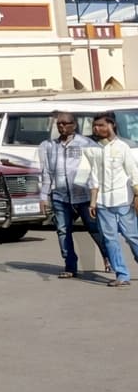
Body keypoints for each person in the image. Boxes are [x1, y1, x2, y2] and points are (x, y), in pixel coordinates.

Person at [38, 111, 109, 278]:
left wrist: (97, 193)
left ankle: (108, 256)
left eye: (65, 123)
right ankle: (70, 266)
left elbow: (97, 169)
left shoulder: (86, 144)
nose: (62, 127)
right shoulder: (50, 146)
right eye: (59, 124)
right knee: (63, 230)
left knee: (95, 229)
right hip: (60, 197)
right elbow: (47, 172)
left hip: (83, 196)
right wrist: (43, 196)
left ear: (74, 125)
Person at [74, 112, 138, 287]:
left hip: (124, 200)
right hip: (103, 202)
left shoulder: (122, 147)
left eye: (101, 125)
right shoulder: (92, 149)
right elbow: (93, 177)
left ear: (112, 126)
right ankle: (122, 275)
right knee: (110, 239)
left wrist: (137, 195)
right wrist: (93, 203)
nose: (97, 128)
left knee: (132, 237)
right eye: (95, 125)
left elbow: (133, 173)